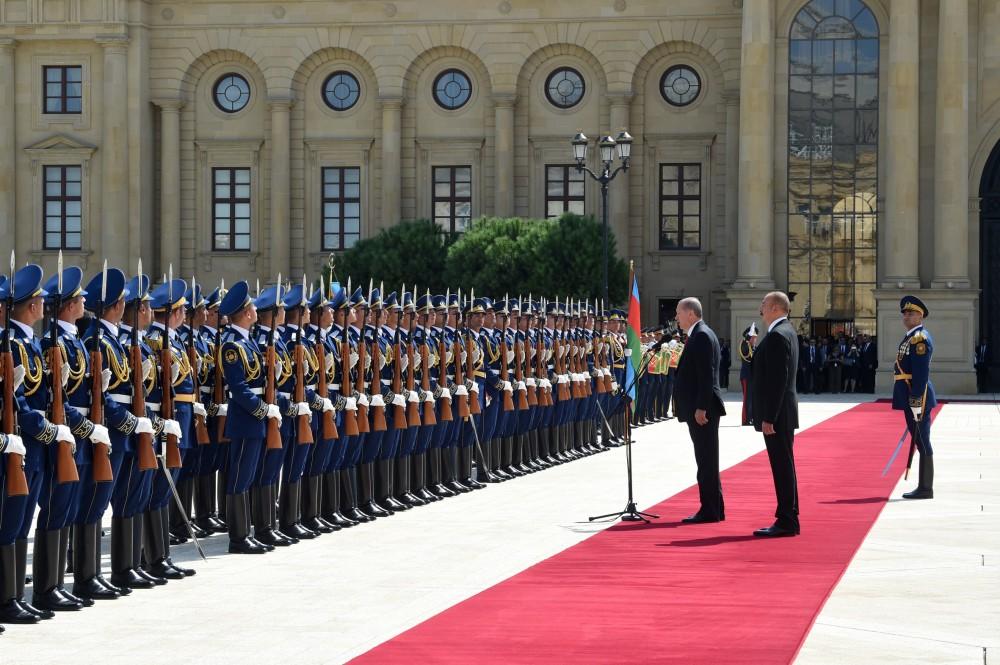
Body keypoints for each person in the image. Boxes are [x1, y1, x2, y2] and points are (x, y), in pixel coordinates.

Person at [671, 298, 726, 523]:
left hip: (702, 409)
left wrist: (702, 407)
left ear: (691, 314)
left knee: (706, 460)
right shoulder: (701, 333)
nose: (676, 317)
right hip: (699, 407)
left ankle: (710, 509)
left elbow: (706, 375)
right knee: (706, 459)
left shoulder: (702, 335)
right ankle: (713, 507)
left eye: (678, 313)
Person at [750, 291, 800, 538]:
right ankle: (790, 515)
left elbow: (778, 381)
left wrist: (769, 416)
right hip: (782, 411)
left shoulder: (778, 336)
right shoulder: (786, 331)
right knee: (784, 464)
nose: (761, 308)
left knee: (781, 465)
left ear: (776, 309)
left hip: (777, 414)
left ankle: (786, 520)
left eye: (764, 304)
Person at [894, 296, 936, 500]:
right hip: (910, 393)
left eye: (910, 313)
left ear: (920, 316)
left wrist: (916, 399)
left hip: (917, 395)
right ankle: (924, 486)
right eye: (904, 313)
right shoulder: (911, 336)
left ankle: (926, 487)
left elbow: (920, 373)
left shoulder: (919, 338)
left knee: (922, 440)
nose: (906, 316)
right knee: (919, 439)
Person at [738, 324, 756, 426]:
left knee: (752, 398)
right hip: (746, 376)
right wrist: (748, 337)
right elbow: (746, 350)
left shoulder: (754, 347)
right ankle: (746, 420)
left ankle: (751, 417)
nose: (755, 339)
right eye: (753, 337)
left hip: (753, 377)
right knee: (747, 399)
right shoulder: (744, 345)